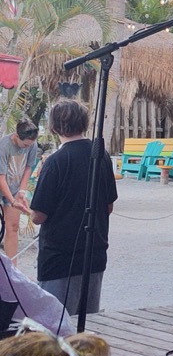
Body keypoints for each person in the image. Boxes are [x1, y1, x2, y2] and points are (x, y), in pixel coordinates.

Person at [30, 99, 118, 315]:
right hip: (94, 253)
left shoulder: (55, 161)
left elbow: (38, 216)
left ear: (54, 127)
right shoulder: (101, 156)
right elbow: (108, 207)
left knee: (56, 322)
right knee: (87, 322)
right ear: (84, 123)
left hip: (60, 259)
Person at [0, 118, 38, 265]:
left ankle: (12, 269)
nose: (27, 147)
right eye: (25, 145)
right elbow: (1, 178)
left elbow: (28, 168)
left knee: (13, 227)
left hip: (14, 188)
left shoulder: (32, 144)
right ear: (16, 136)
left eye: (30, 145)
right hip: (3, 184)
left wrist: (21, 191)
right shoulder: (4, 146)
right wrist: (12, 201)